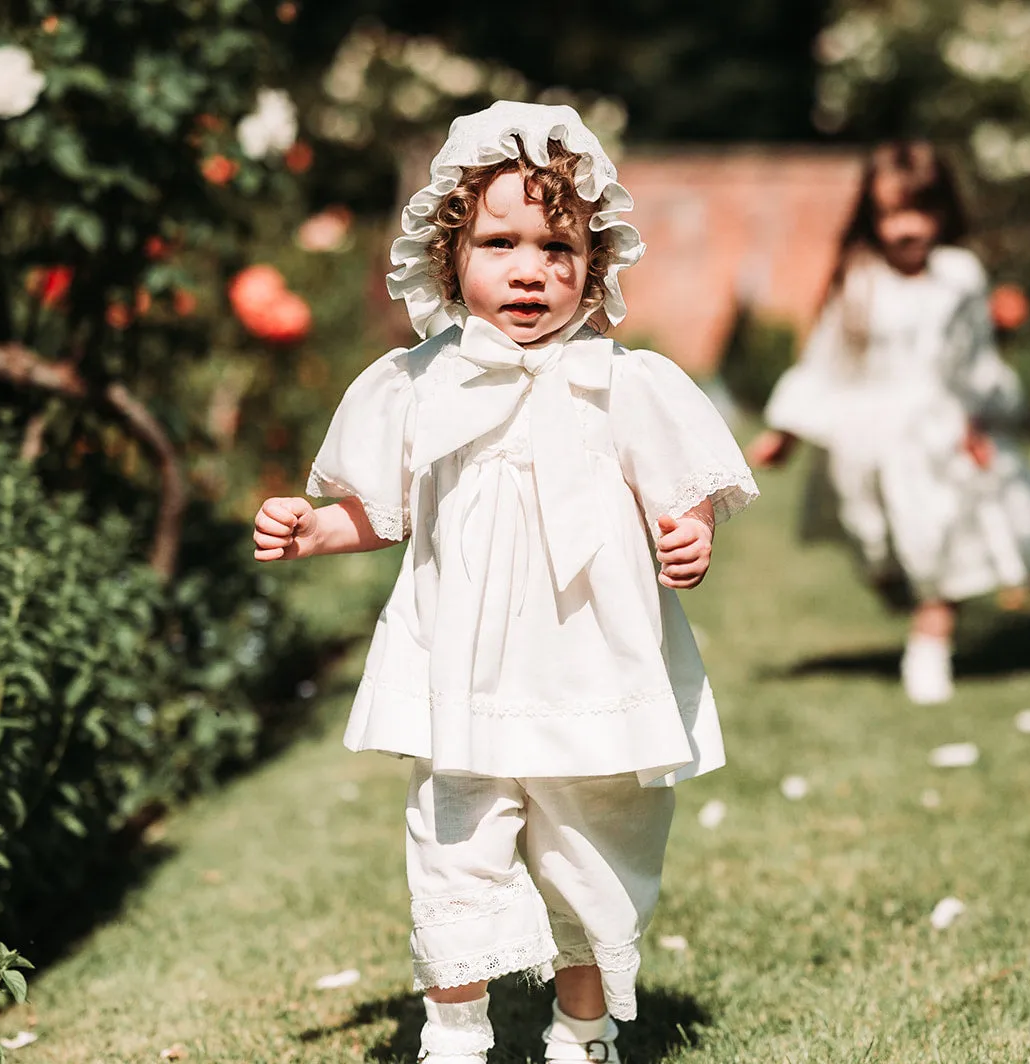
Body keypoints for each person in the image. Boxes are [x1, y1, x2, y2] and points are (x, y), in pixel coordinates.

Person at [252, 101, 757, 1064]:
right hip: (461, 668)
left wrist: (688, 534)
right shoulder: (417, 381)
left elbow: (686, 494)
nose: (530, 269)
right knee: (454, 851)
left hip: (588, 663)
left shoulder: (624, 382)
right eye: (500, 243)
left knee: (588, 854)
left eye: (558, 247)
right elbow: (379, 509)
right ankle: (454, 1034)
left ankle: (579, 1030)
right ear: (451, 257)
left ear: (595, 262)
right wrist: (312, 527)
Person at [746, 140, 1030, 705]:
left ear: (944, 211)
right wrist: (787, 429)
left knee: (939, 535)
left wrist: (979, 417)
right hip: (865, 438)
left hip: (936, 428)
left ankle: (930, 647)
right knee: (877, 546)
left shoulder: (959, 276)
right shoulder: (859, 278)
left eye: (920, 212)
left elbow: (973, 356)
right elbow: (826, 357)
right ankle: (902, 592)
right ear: (870, 217)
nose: (906, 228)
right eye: (890, 214)